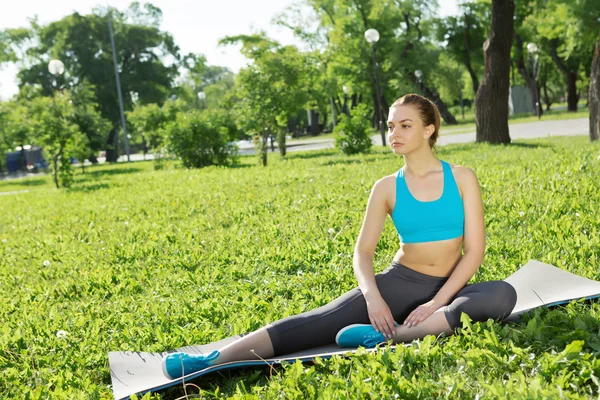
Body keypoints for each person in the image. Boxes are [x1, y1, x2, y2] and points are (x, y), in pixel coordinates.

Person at [161, 93, 518, 380]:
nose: (394, 133)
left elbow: (475, 251)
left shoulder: (461, 177)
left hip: (450, 285)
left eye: (405, 126)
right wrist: (374, 298)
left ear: (429, 129)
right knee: (314, 324)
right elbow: (362, 254)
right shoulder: (385, 188)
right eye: (391, 126)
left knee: (501, 294)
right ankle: (210, 360)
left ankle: (393, 337)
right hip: (401, 283)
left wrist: (436, 303)